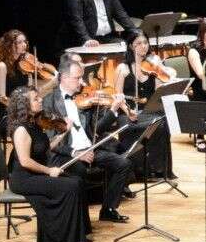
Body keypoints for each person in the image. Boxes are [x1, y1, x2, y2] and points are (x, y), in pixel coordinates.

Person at [42, 54, 136, 225]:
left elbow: (95, 130)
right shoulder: (49, 102)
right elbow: (50, 143)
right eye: (77, 78)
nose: (81, 82)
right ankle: (80, 221)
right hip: (67, 153)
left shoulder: (81, 100)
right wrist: (76, 153)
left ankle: (108, 209)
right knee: (79, 170)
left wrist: (113, 110)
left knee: (123, 164)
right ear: (63, 77)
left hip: (89, 148)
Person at [5, 86, 88, 242]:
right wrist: (49, 171)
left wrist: (64, 134)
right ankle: (60, 240)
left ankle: (77, 235)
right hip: (24, 179)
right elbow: (25, 161)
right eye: (35, 99)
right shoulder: (21, 129)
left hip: (34, 175)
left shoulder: (34, 123)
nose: (41, 99)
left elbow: (43, 147)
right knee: (70, 186)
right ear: (25, 105)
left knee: (77, 181)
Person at [117, 29, 175, 183]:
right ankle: (139, 170)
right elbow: (119, 98)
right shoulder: (123, 68)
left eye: (145, 42)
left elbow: (158, 91)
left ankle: (159, 170)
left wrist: (159, 69)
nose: (143, 46)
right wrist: (128, 111)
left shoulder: (152, 64)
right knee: (133, 124)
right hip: (129, 113)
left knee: (162, 123)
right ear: (130, 46)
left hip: (149, 110)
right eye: (138, 43)